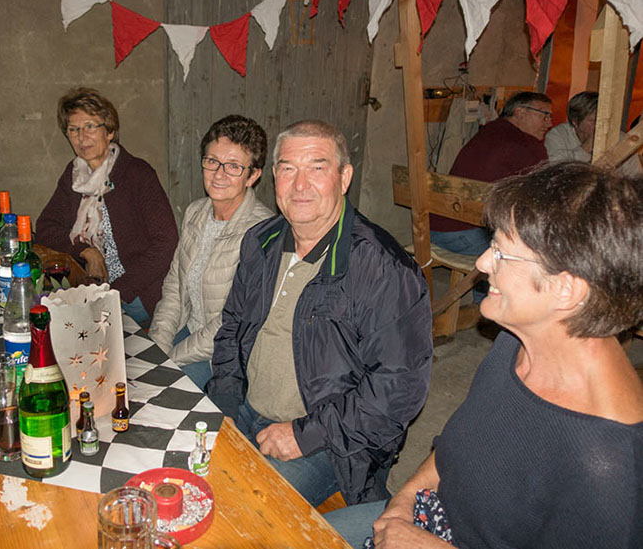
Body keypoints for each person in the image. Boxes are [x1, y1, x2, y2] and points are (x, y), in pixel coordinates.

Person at [326, 161, 643, 548]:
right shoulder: (518, 342)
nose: (481, 263)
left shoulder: (610, 465)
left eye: (502, 254)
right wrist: (403, 501)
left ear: (567, 290)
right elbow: (455, 451)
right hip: (428, 514)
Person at [206, 120, 433, 508]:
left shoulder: (383, 267)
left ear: (344, 178)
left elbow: (398, 389)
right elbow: (232, 327)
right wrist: (225, 402)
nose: (300, 184)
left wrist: (303, 435)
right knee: (182, 475)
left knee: (245, 508)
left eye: (317, 168)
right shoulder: (261, 241)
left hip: (330, 441)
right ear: (274, 176)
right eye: (288, 168)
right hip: (246, 408)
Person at [36, 87, 177, 328]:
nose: (82, 137)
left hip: (138, 294)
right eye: (73, 129)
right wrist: (87, 251)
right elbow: (46, 227)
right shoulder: (74, 176)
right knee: (42, 317)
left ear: (109, 131)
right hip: (94, 289)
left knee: (70, 330)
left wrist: (116, 293)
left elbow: (166, 243)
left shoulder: (137, 174)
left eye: (90, 126)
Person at [149, 115, 273, 389]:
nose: (219, 174)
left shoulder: (262, 233)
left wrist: (170, 359)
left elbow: (231, 324)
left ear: (253, 175)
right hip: (189, 333)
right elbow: (174, 287)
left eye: (233, 166)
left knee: (161, 392)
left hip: (227, 356)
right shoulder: (195, 212)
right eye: (212, 161)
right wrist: (159, 345)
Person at [429, 92, 551, 263]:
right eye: (544, 115)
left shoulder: (490, 129)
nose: (549, 123)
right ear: (520, 112)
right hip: (464, 234)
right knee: (540, 256)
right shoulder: (527, 144)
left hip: (435, 227)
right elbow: (543, 195)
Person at [545, 90, 642, 174]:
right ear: (575, 121)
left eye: (605, 121)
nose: (601, 126)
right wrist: (586, 147)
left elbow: (635, 176)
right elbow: (555, 169)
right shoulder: (557, 135)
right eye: (594, 121)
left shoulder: (619, 138)